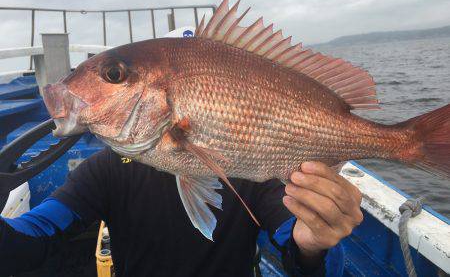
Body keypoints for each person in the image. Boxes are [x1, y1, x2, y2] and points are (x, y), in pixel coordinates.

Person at [0, 147, 363, 277]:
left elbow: (300, 248)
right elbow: (36, 235)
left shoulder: (250, 167)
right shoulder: (108, 166)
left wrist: (314, 245)